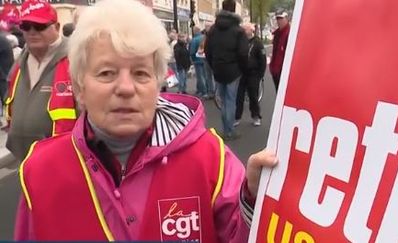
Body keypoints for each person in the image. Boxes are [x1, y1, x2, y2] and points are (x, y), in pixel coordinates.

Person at [14, 0, 278, 241]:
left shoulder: (210, 158)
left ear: (158, 84)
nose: (126, 88)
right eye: (107, 73)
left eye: (141, 73)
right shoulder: (39, 172)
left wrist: (254, 200)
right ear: (79, 87)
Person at [5, 0, 78, 161]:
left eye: (39, 26)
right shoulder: (19, 63)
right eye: (26, 26)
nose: (32, 32)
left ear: (57, 27)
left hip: (64, 159)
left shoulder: (75, 61)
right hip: (24, 159)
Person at [205, 0, 249, 141]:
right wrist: (242, 68)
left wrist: (214, 65)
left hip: (218, 69)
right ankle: (229, 131)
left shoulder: (213, 30)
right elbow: (243, 53)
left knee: (224, 101)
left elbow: (207, 50)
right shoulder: (238, 31)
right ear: (234, 9)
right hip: (233, 70)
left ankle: (226, 128)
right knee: (231, 101)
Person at [235, 23, 266, 127]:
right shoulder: (241, 42)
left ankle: (256, 116)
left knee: (253, 96)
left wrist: (260, 74)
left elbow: (263, 59)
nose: (243, 31)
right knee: (239, 96)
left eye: (245, 29)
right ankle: (237, 117)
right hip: (242, 73)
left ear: (250, 30)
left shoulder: (257, 43)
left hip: (254, 74)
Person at [269, 9, 290, 92]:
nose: (279, 21)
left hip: (284, 71)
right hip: (275, 70)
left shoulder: (290, 33)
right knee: (278, 94)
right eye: (277, 19)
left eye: (281, 18)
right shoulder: (277, 34)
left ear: (286, 19)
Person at [190, 26, 208, 98]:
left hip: (197, 60)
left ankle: (204, 91)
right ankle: (205, 89)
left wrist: (192, 59)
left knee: (200, 77)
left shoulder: (194, 40)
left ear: (194, 31)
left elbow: (192, 51)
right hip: (205, 59)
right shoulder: (205, 38)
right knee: (206, 76)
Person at [0, 29, 14, 117]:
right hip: (6, 72)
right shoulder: (3, 39)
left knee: (6, 98)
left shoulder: (1, 40)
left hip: (3, 74)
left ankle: (9, 120)